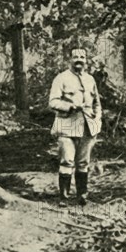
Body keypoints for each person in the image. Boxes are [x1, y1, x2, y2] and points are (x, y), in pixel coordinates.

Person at [49, 47, 102, 206]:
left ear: (86, 60)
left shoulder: (90, 79)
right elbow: (53, 102)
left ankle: (82, 195)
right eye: (75, 57)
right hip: (67, 126)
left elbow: (97, 104)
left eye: (82, 57)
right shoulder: (61, 78)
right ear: (70, 59)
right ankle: (63, 197)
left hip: (87, 127)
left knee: (83, 162)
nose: (79, 60)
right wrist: (69, 107)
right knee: (67, 161)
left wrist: (97, 120)